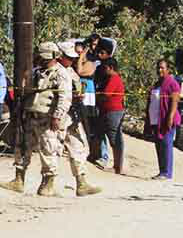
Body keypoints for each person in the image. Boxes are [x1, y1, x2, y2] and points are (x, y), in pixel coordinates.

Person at [0, 43, 72, 196]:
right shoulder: (37, 71)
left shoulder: (61, 74)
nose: (41, 60)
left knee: (48, 149)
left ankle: (48, 184)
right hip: (30, 116)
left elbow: (65, 98)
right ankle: (18, 180)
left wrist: (57, 117)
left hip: (47, 118)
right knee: (22, 147)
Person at [55, 42, 102, 196]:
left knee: (78, 147)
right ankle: (45, 183)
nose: (71, 60)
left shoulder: (70, 71)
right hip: (58, 116)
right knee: (52, 150)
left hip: (72, 115)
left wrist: (78, 95)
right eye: (69, 57)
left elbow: (76, 86)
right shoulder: (55, 71)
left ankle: (81, 183)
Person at [145, 59, 182, 181]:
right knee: (159, 146)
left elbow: (175, 100)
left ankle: (167, 172)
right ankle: (162, 171)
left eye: (162, 68)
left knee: (166, 145)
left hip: (166, 120)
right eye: (158, 67)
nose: (159, 70)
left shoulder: (172, 83)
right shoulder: (157, 84)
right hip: (156, 120)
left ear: (168, 69)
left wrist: (170, 116)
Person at [96, 58, 126, 174]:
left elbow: (107, 94)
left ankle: (117, 167)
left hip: (113, 111)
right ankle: (117, 166)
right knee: (113, 137)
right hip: (110, 110)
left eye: (105, 68)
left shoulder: (114, 79)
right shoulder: (112, 78)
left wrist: (98, 96)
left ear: (110, 68)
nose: (104, 70)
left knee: (115, 139)